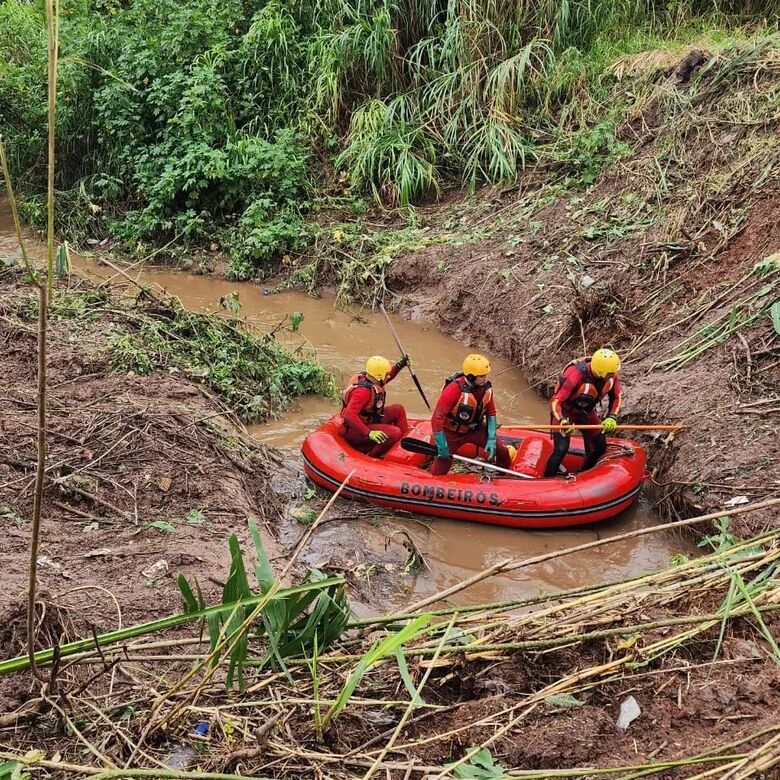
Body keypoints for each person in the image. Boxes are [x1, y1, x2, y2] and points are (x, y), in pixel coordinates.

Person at [543, 347, 622, 477]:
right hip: (565, 412)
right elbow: (556, 401)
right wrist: (562, 420)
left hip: (586, 413)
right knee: (561, 449)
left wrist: (612, 416)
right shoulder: (575, 374)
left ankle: (583, 473)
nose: (613, 375)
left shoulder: (612, 376)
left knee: (600, 447)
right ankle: (548, 478)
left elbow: (616, 397)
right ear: (601, 372)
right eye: (610, 373)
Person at [430, 354, 512, 475]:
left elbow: (491, 413)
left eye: (485, 375)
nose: (485, 379)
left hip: (475, 430)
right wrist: (442, 445)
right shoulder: (453, 390)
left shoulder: (486, 390)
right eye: (481, 376)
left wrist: (491, 437)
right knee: (441, 466)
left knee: (502, 450)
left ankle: (504, 476)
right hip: (452, 433)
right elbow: (436, 419)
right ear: (471, 376)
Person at [341, 354, 410, 458]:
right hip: (355, 430)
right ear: (379, 377)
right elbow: (349, 415)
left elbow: (388, 377)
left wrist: (400, 365)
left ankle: (402, 446)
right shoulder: (363, 392)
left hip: (370, 420)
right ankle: (372, 456)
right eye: (386, 374)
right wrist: (369, 433)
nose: (388, 376)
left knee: (398, 409)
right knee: (395, 433)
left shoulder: (372, 378)